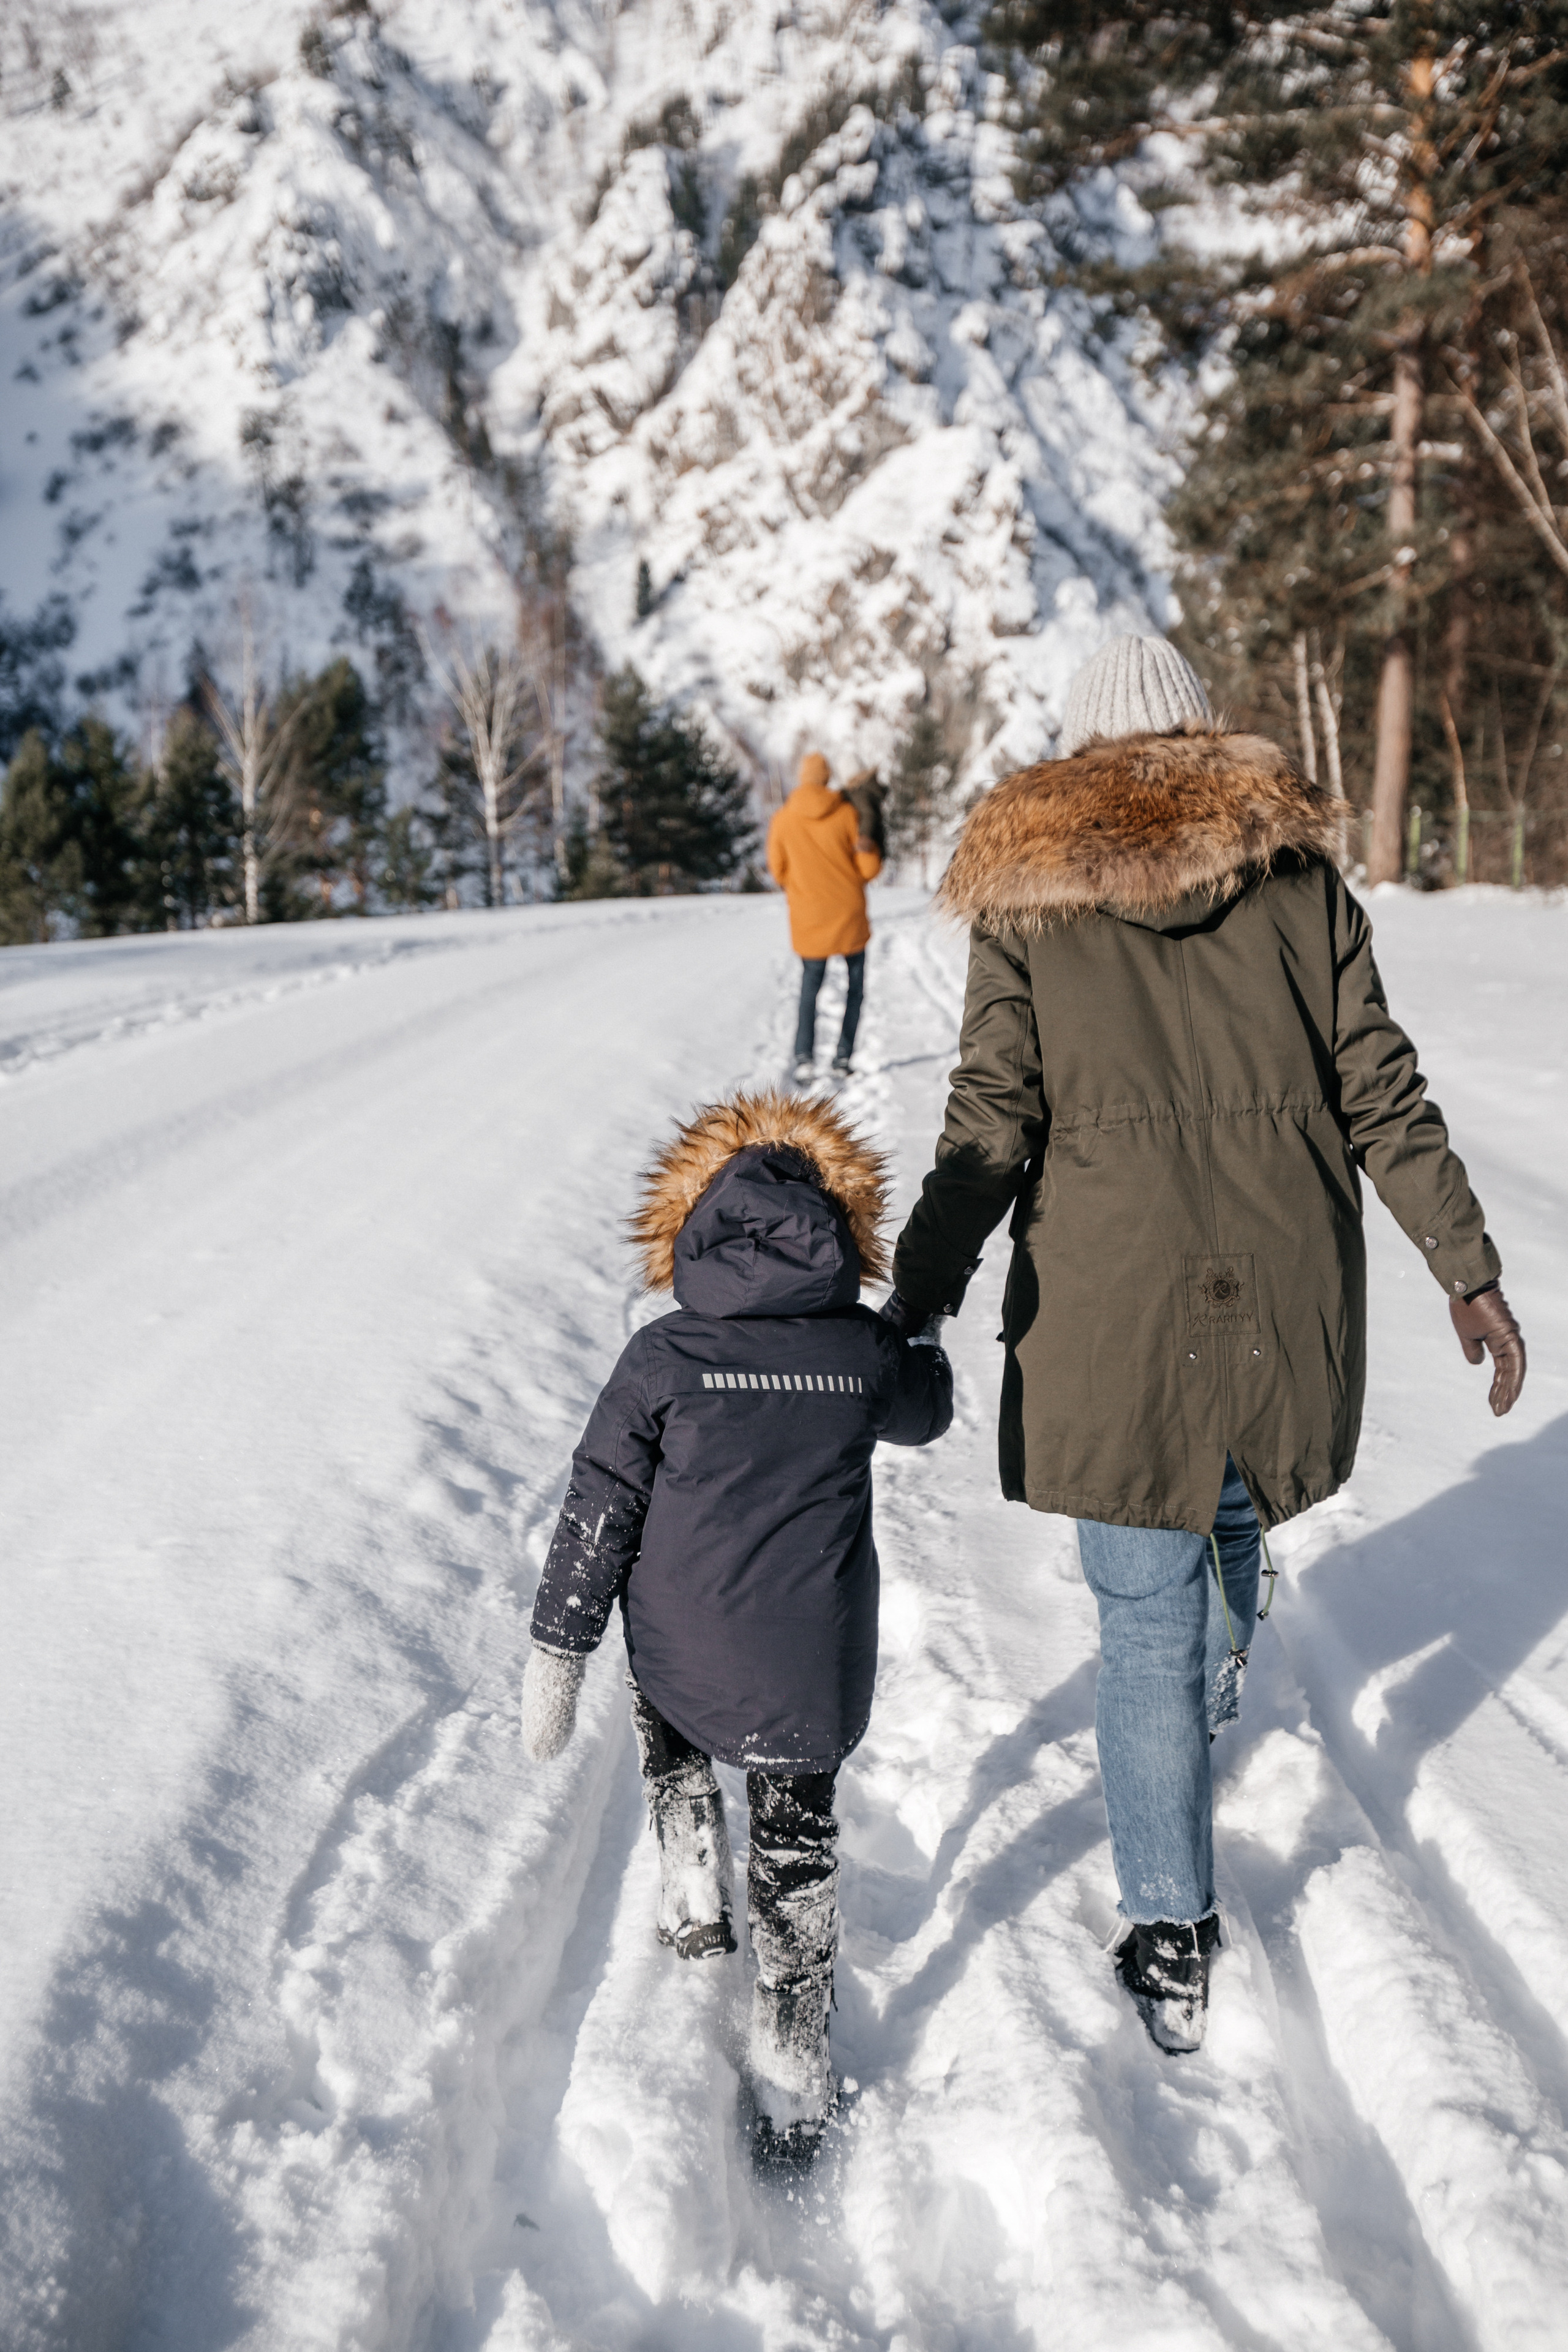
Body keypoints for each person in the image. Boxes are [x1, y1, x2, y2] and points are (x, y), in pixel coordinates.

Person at [886, 633, 1526, 2056]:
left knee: (1135, 1613)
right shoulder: (1295, 875)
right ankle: (1222, 1669)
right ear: (1199, 737)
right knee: (1228, 1492)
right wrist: (1461, 1266)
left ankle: (1168, 1921)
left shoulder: (1027, 901)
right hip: (1278, 1266)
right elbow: (1380, 1088)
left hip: (1107, 1292)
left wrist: (919, 1289)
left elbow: (990, 1119)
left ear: (1073, 755)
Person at [520, 1090, 952, 2159]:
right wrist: (920, 1332)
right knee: (797, 1856)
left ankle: (692, 1902)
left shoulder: (660, 1358)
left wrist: (559, 1644)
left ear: (689, 1235)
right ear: (838, 1236)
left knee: (669, 1723)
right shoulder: (858, 1352)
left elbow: (598, 1505)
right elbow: (926, 1414)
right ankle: (794, 2078)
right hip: (808, 1655)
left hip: (677, 1641)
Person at [767, 752, 883, 1084]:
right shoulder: (847, 814)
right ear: (828, 778)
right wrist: (869, 849)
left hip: (809, 919)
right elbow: (868, 870)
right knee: (855, 990)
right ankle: (842, 1058)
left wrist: (804, 886)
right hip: (849, 917)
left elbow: (778, 871)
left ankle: (804, 1057)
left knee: (809, 990)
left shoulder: (783, 819)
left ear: (802, 778)